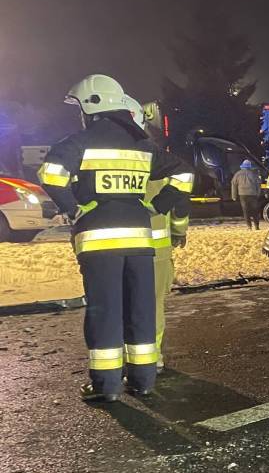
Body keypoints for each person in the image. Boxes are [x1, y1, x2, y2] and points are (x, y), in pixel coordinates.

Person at [37, 75, 191, 401]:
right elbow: (185, 173)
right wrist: (156, 206)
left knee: (105, 311)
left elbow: (49, 173)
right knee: (141, 310)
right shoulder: (141, 144)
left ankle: (106, 386)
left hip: (98, 242)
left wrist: (73, 208)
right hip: (140, 241)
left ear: (91, 106)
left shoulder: (80, 142)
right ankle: (143, 380)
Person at [123, 96, 193, 372]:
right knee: (151, 306)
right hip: (155, 248)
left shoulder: (103, 157)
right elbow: (181, 198)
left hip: (114, 247)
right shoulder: (158, 158)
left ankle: (122, 359)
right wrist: (179, 229)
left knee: (120, 303)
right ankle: (151, 359)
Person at [232, 160, 262, 230]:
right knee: (255, 210)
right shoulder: (253, 174)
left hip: (242, 194)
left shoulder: (237, 174)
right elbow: (258, 184)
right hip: (253, 194)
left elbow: (233, 185)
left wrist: (234, 196)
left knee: (245, 211)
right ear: (249, 166)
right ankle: (257, 226)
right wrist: (258, 193)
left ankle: (249, 226)